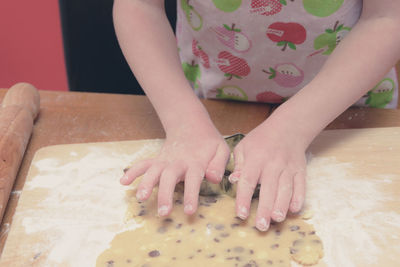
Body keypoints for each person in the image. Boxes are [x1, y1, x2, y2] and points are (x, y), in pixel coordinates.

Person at [113, 0, 400, 231]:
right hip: (214, 104)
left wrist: (292, 128)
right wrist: (183, 121)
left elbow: (386, 18)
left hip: (347, 109)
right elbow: (139, 7)